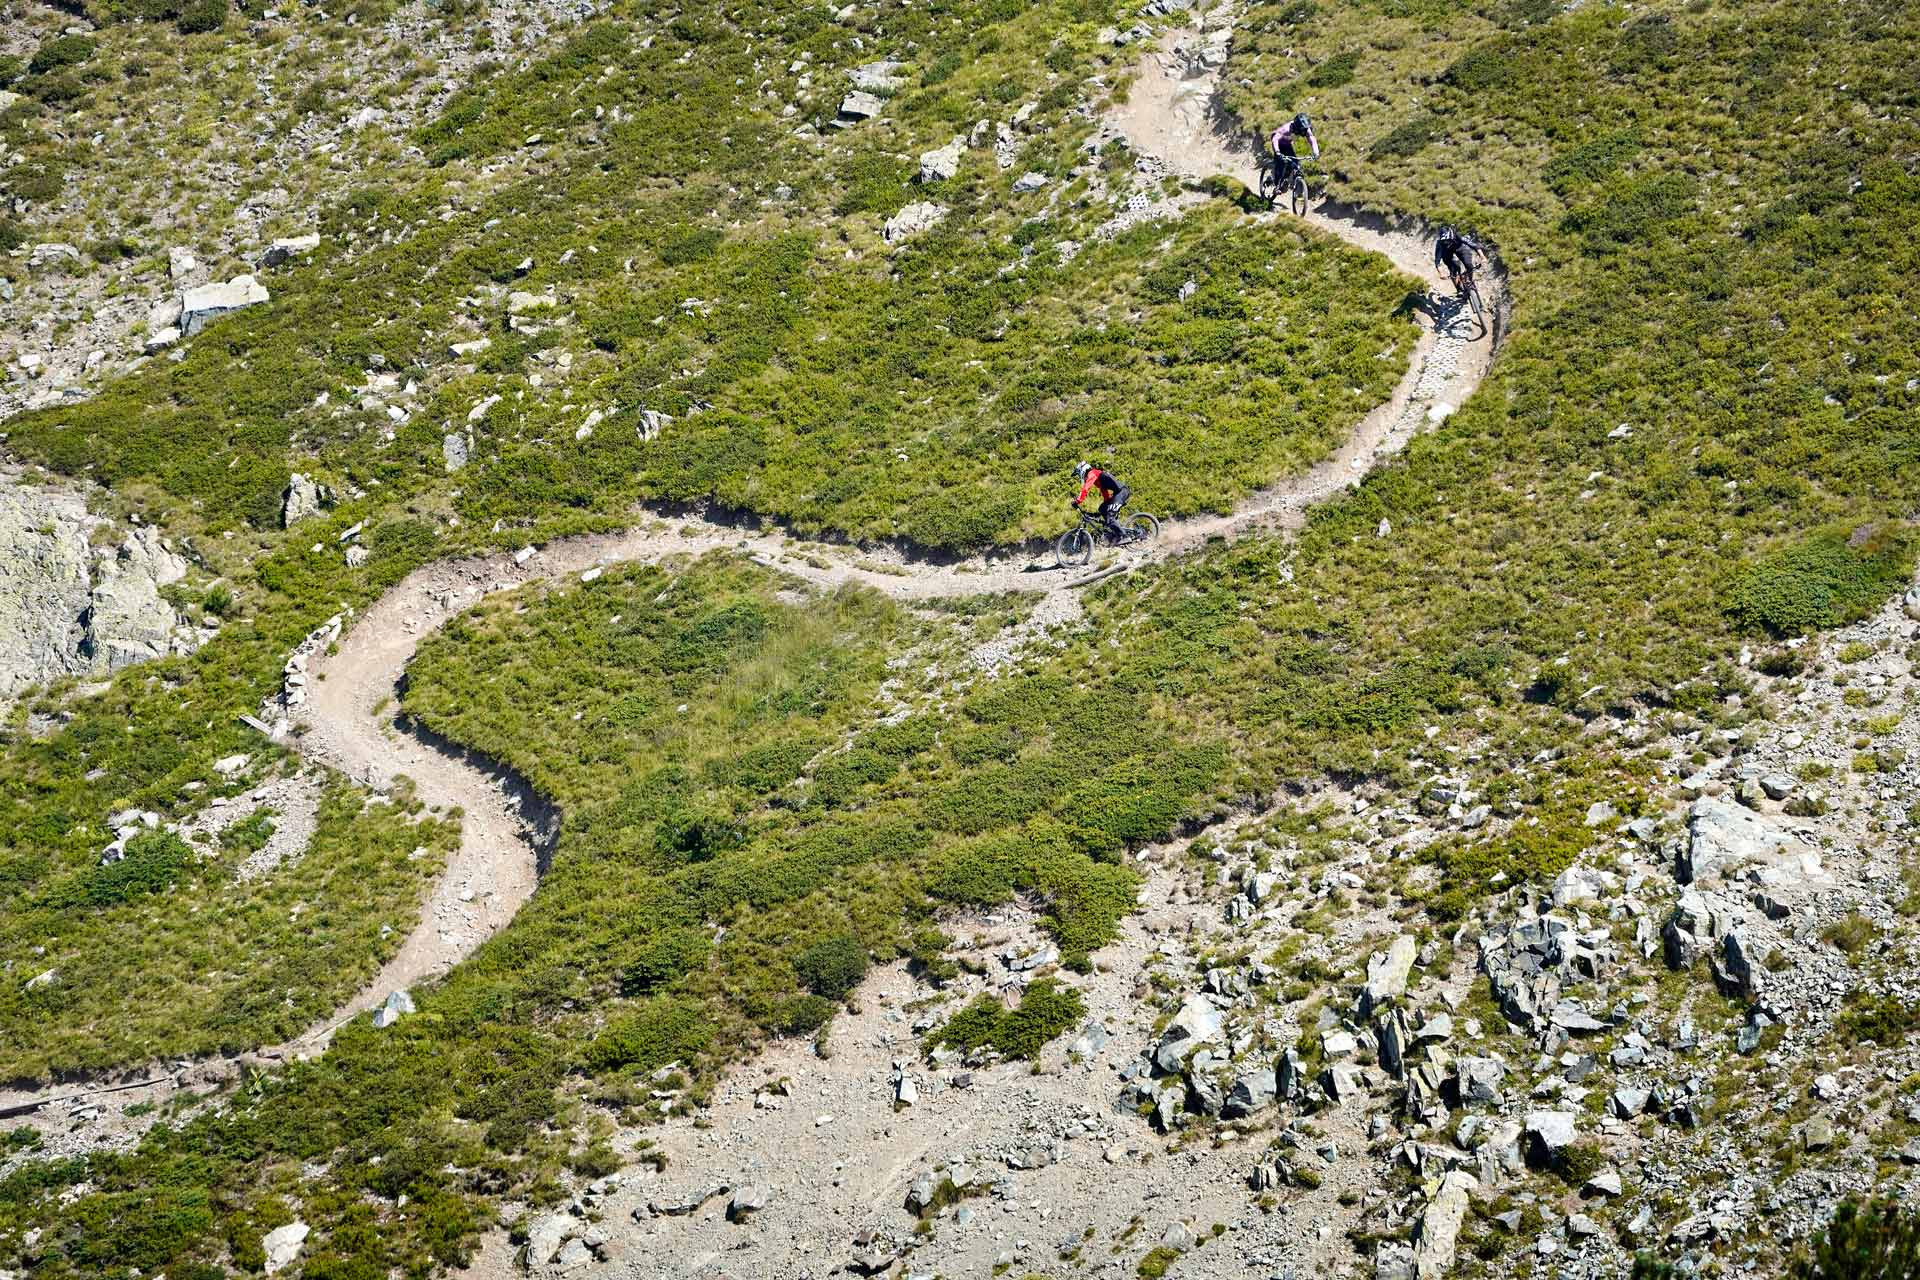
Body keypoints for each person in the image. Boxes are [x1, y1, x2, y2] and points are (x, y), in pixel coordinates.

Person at [1072, 461, 1129, 538]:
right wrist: (1106, 505)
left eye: (1079, 473)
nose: (1079, 476)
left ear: (1083, 469)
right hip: (1118, 493)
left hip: (1122, 492)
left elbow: (1085, 489)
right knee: (1102, 508)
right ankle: (1113, 531)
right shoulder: (1098, 478)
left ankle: (1124, 537)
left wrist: (1077, 501)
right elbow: (1104, 492)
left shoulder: (1092, 473)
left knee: (1110, 516)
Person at [1267, 112, 1320, 190]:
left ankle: (1285, 180)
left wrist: (1316, 152)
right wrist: (1277, 151)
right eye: (1303, 129)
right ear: (1297, 126)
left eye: (1305, 129)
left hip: (1287, 144)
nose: (1304, 132)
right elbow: (1275, 139)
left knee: (1294, 163)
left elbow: (1312, 139)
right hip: (1278, 144)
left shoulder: (1305, 129)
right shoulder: (1286, 129)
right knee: (1281, 163)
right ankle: (1276, 184)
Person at [1433, 224, 1485, 296]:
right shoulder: (1440, 244)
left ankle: (1469, 280)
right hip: (1447, 253)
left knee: (1468, 264)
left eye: (1448, 240)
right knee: (1454, 269)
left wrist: (1482, 256)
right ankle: (1459, 289)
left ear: (1452, 236)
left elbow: (1473, 245)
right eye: (1445, 241)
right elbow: (1437, 261)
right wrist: (1441, 273)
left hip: (1459, 248)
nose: (1447, 242)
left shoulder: (1457, 236)